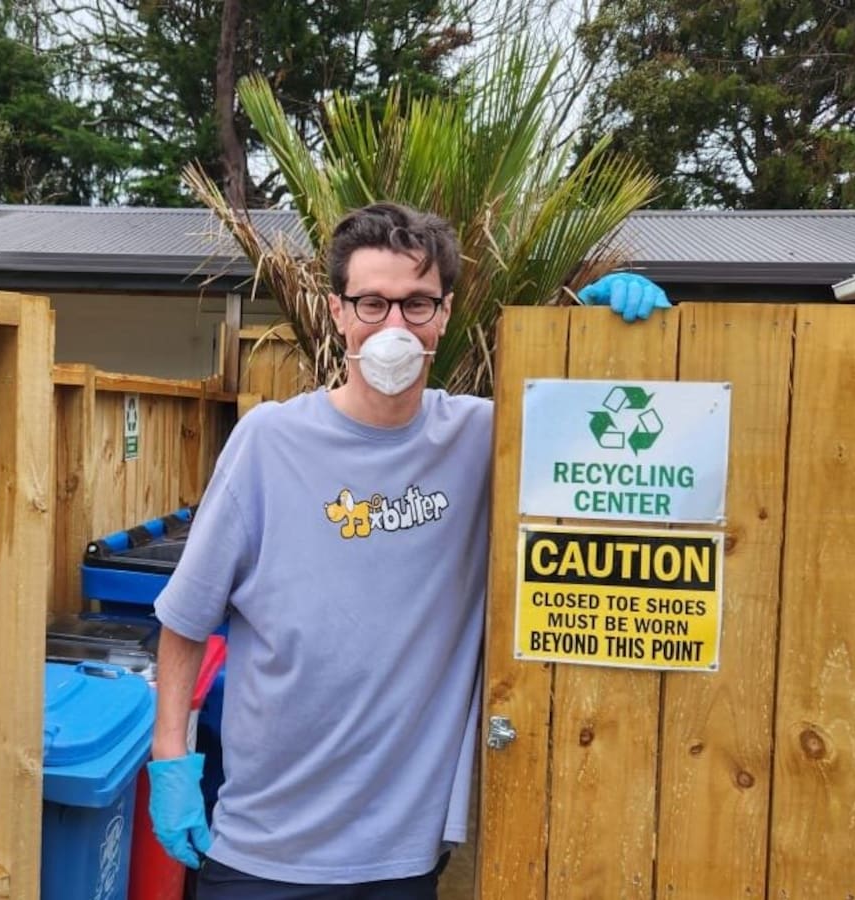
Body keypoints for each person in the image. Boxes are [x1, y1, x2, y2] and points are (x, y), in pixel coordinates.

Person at [146, 202, 669, 898]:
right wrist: (171, 757)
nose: (394, 327)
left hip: (401, 856)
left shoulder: (487, 441)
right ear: (338, 312)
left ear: (446, 313)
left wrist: (617, 342)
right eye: (372, 303)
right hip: (264, 851)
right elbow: (186, 618)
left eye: (417, 304)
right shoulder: (269, 443)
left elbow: (620, 462)